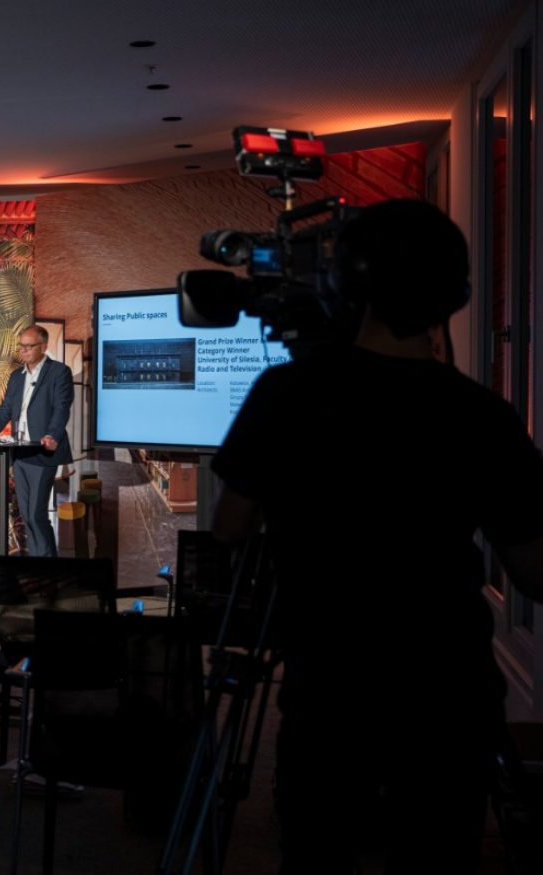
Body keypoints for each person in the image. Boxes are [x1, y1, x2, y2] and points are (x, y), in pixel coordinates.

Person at [210, 199, 543, 873]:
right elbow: (536, 571)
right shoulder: (483, 415)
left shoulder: (285, 393)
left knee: (317, 853)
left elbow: (229, 526)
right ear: (457, 296)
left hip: (327, 690)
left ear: (342, 289)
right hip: (448, 697)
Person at [0, 325, 74, 557]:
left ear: (43, 346)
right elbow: (5, 408)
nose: (22, 351)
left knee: (36, 514)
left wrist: (52, 435)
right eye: (21, 346)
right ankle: (36, 565)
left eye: (28, 346)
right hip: (20, 452)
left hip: (43, 451)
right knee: (27, 515)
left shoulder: (58, 372)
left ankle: (48, 570)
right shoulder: (16, 376)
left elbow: (61, 408)